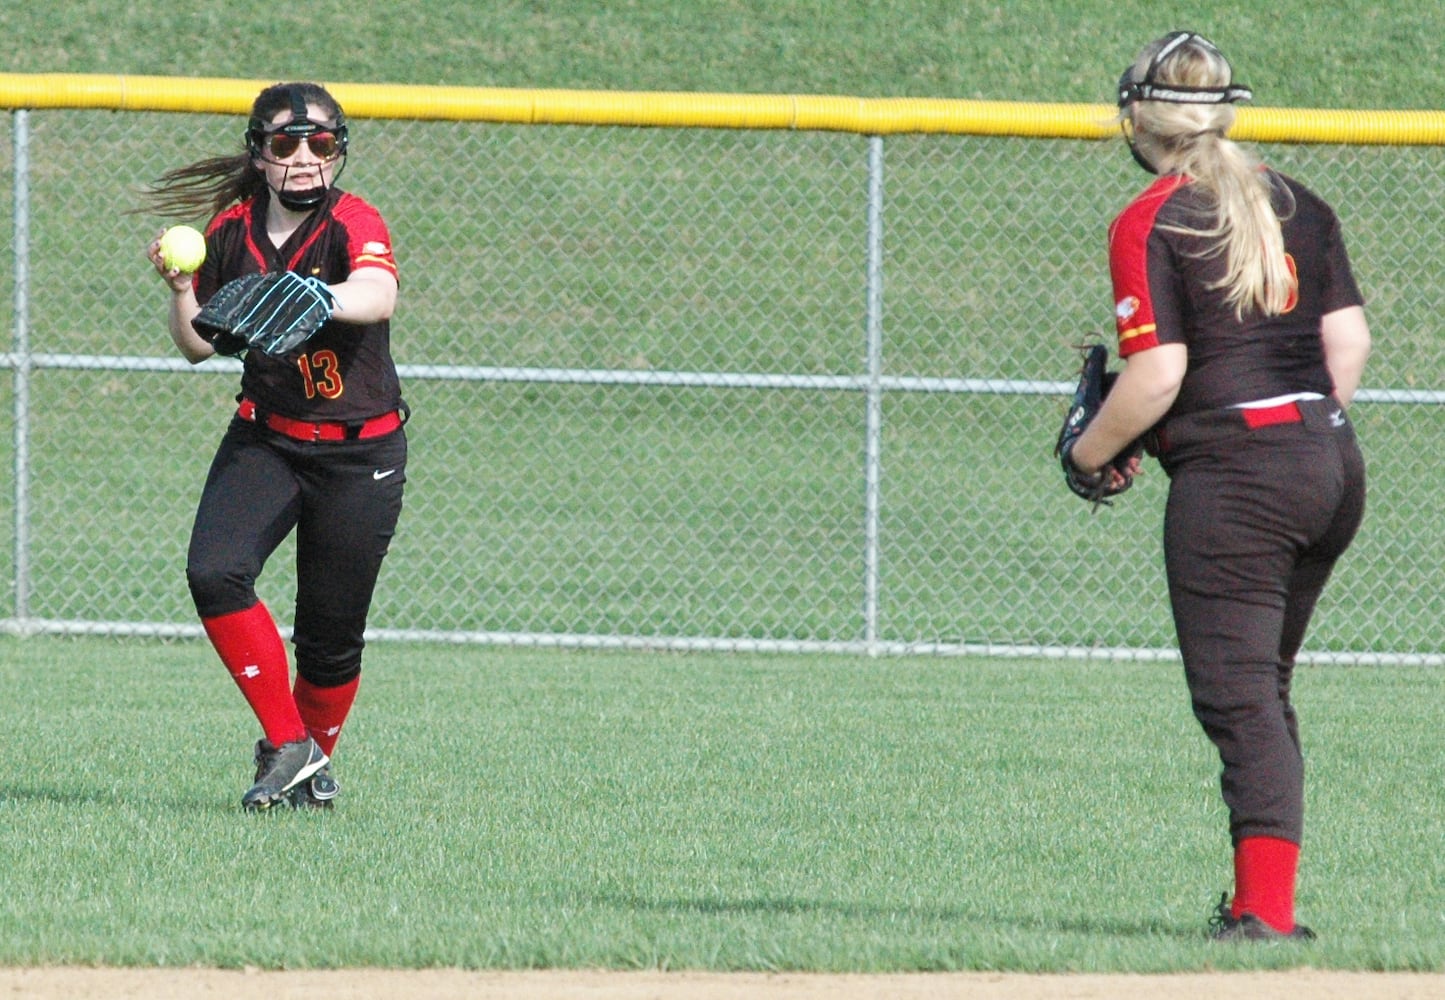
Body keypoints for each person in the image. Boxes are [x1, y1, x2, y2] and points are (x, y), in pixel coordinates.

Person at [1064, 32, 1371, 940]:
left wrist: (1089, 453)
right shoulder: (1300, 202)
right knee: (1262, 689)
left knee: (1236, 697)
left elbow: (1157, 376)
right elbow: (1345, 346)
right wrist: (1300, 431)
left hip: (1239, 478)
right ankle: (1259, 903)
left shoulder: (1151, 216)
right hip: (1328, 456)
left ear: (1136, 118)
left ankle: (1264, 918)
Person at [142, 82, 407, 811]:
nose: (302, 158)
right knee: (215, 572)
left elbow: (377, 293)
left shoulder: (352, 220)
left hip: (361, 454)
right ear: (258, 154)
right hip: (267, 438)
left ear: (337, 151)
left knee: (329, 639)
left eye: (319, 143)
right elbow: (199, 346)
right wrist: (181, 289)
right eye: (285, 144)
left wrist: (318, 297)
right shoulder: (230, 231)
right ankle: (289, 747)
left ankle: (309, 773)